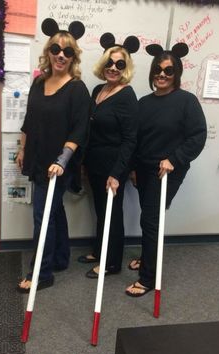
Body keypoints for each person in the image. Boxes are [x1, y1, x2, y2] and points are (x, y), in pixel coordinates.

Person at [126, 43, 207, 296]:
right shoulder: (144, 103)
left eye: (168, 71)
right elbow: (136, 139)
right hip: (144, 169)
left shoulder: (186, 101)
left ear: (177, 74)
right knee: (148, 217)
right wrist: (132, 168)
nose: (162, 75)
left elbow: (197, 136)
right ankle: (147, 256)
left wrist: (174, 159)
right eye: (158, 70)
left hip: (168, 170)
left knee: (150, 219)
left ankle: (148, 277)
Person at [16, 18, 90, 293]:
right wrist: (23, 148)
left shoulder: (77, 89)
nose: (61, 55)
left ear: (73, 57)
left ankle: (41, 273)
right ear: (48, 50)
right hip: (36, 157)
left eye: (68, 51)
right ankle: (59, 258)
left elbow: (79, 130)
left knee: (43, 216)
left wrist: (61, 161)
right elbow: (29, 119)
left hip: (58, 164)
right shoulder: (39, 82)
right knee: (53, 211)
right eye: (56, 49)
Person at [78, 33, 139, 278]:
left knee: (112, 213)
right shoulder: (97, 90)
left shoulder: (127, 96)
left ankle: (111, 263)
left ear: (125, 69)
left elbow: (130, 139)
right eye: (110, 63)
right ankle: (99, 251)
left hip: (114, 166)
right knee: (101, 210)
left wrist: (116, 173)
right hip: (94, 162)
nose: (113, 68)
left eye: (119, 64)